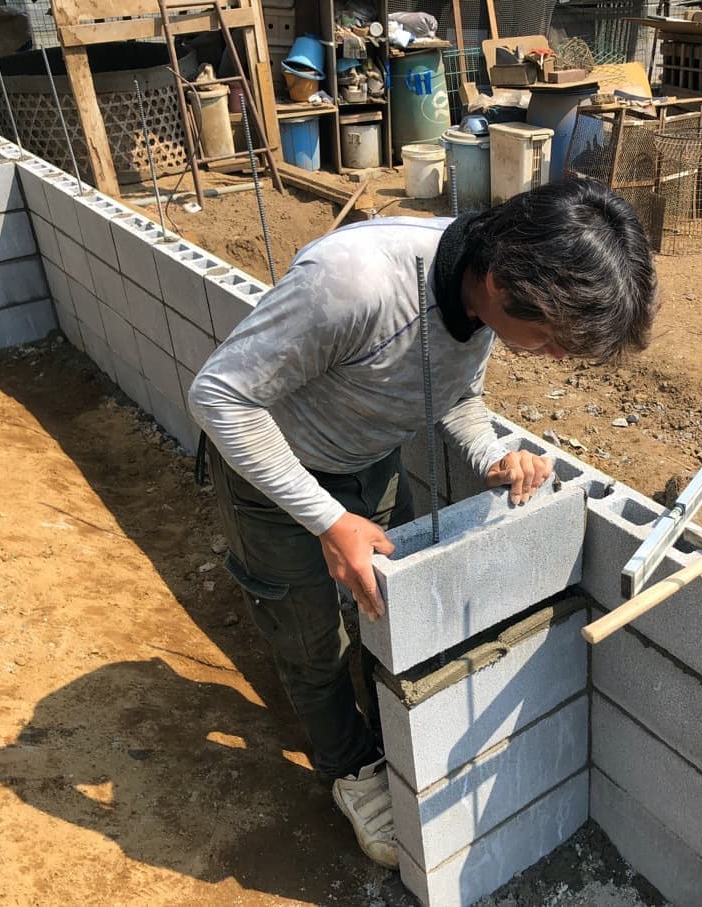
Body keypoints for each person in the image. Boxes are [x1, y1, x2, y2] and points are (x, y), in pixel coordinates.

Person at [187, 177, 658, 869]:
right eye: (553, 338)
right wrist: (327, 519)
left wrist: (492, 456)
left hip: (368, 467)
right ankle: (351, 769)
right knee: (312, 642)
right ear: (500, 282)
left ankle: (393, 741)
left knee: (386, 615)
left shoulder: (481, 291)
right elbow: (219, 397)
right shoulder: (354, 283)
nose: (556, 355)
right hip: (275, 475)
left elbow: (456, 393)